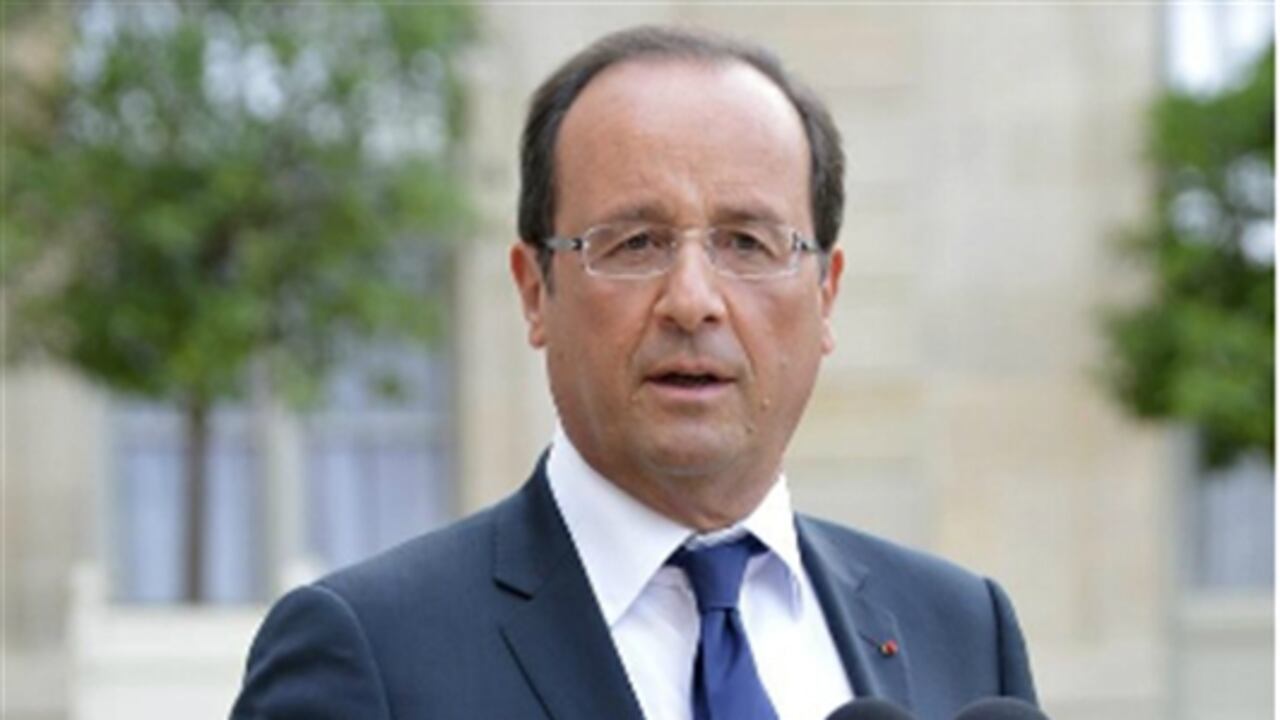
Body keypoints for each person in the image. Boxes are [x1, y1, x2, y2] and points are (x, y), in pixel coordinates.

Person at [231, 25, 1038, 720]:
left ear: (826, 295)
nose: (692, 302)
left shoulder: (962, 626)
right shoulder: (370, 652)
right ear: (533, 291)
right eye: (634, 244)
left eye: (748, 244)